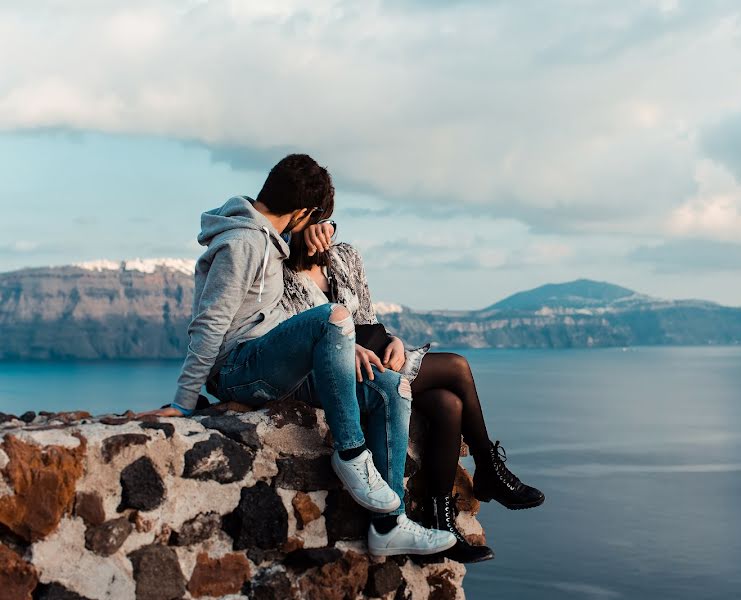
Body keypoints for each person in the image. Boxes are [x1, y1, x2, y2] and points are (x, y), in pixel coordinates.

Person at [144, 154, 455, 557]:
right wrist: (184, 403)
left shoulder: (269, 239)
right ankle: (351, 453)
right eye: (315, 220)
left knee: (392, 388)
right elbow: (208, 325)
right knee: (333, 317)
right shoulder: (243, 244)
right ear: (303, 212)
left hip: (273, 362)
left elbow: (285, 313)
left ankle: (389, 527)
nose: (319, 230)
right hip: (237, 369)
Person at [280, 203, 545, 564]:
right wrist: (349, 349)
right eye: (318, 223)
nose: (327, 232)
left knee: (448, 405)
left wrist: (395, 341)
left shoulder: (344, 257)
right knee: (457, 367)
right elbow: (297, 340)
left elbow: (367, 319)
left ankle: (443, 523)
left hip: (380, 357)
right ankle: (488, 469)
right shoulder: (279, 271)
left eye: (330, 223)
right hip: (341, 373)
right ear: (298, 220)